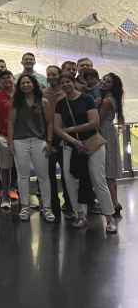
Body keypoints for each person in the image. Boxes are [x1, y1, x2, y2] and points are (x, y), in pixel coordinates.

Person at [53, 73, 116, 233]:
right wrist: (73, 140)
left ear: (74, 83)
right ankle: (80, 215)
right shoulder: (60, 104)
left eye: (68, 81)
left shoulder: (87, 99)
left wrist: (72, 130)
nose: (66, 84)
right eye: (63, 83)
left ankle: (109, 218)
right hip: (72, 145)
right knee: (69, 179)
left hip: (92, 144)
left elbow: (94, 124)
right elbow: (57, 128)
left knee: (98, 178)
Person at [7, 75, 55, 223]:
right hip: (19, 141)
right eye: (23, 83)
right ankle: (25, 206)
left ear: (34, 84)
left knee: (43, 176)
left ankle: (47, 208)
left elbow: (50, 123)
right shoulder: (16, 102)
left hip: (39, 140)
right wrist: (10, 143)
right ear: (19, 86)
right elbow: (11, 123)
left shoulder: (43, 101)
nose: (26, 85)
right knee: (22, 175)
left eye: (28, 82)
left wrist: (49, 142)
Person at [97, 73, 124, 213]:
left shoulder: (106, 101)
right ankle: (115, 201)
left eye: (108, 82)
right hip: (110, 133)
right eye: (103, 80)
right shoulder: (113, 99)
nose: (103, 82)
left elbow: (98, 120)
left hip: (104, 133)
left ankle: (112, 202)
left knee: (106, 170)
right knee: (111, 172)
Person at [43, 65, 68, 215]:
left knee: (66, 172)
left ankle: (69, 202)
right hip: (48, 138)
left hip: (64, 136)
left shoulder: (66, 93)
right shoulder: (42, 94)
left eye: (54, 75)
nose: (51, 77)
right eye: (49, 75)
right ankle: (53, 204)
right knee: (49, 172)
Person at [0, 70, 16, 210]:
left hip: (20, 136)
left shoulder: (20, 94)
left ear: (13, 78)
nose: (6, 80)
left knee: (22, 169)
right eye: (3, 78)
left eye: (9, 78)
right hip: (4, 136)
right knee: (5, 168)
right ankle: (5, 196)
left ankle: (24, 198)